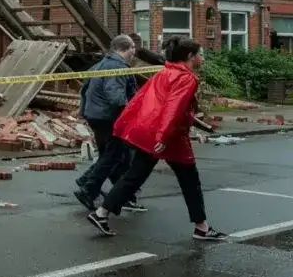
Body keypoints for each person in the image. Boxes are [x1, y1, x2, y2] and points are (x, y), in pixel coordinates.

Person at [86, 36, 227, 241]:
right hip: (170, 137)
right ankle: (201, 227)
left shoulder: (165, 72)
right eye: (200, 54)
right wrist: (163, 135)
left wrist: (127, 125)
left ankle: (101, 213)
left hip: (151, 132)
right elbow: (174, 107)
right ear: (190, 56)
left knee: (134, 176)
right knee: (190, 180)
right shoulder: (187, 78)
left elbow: (143, 99)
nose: (202, 58)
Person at [73, 34, 147, 212]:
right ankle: (89, 188)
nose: (134, 53)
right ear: (126, 48)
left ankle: (120, 195)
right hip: (110, 118)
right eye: (133, 49)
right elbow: (116, 97)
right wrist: (130, 115)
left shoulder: (100, 65)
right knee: (115, 156)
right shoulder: (117, 67)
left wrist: (84, 112)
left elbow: (85, 90)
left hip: (96, 116)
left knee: (113, 156)